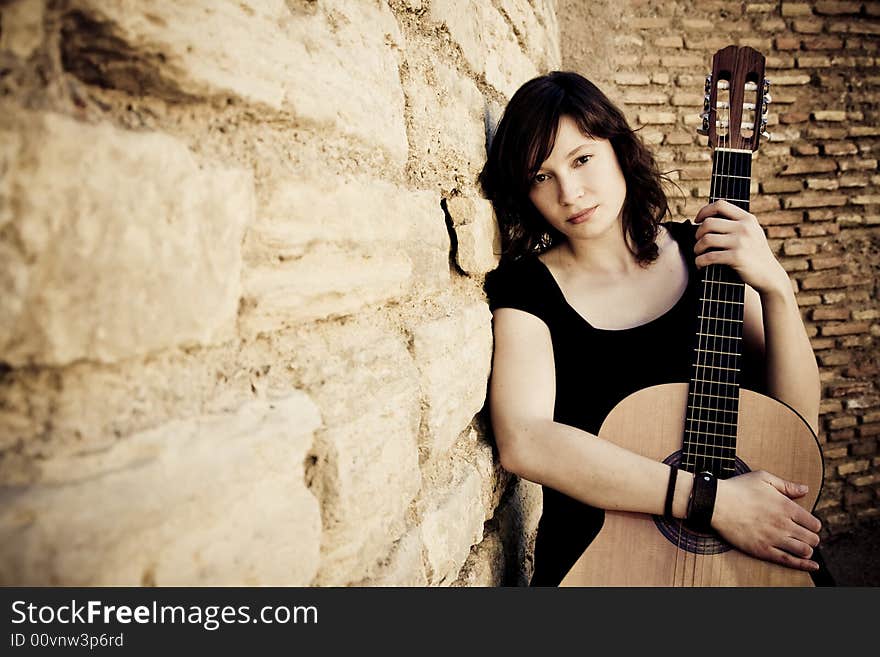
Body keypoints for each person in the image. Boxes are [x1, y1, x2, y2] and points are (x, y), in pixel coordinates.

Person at [479, 70, 832, 586]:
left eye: (582, 160)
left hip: (749, 549)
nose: (570, 193)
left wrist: (777, 289)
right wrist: (712, 502)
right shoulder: (526, 289)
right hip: (602, 561)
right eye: (541, 176)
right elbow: (526, 440)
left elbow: (795, 427)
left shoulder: (709, 256)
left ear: (619, 149)